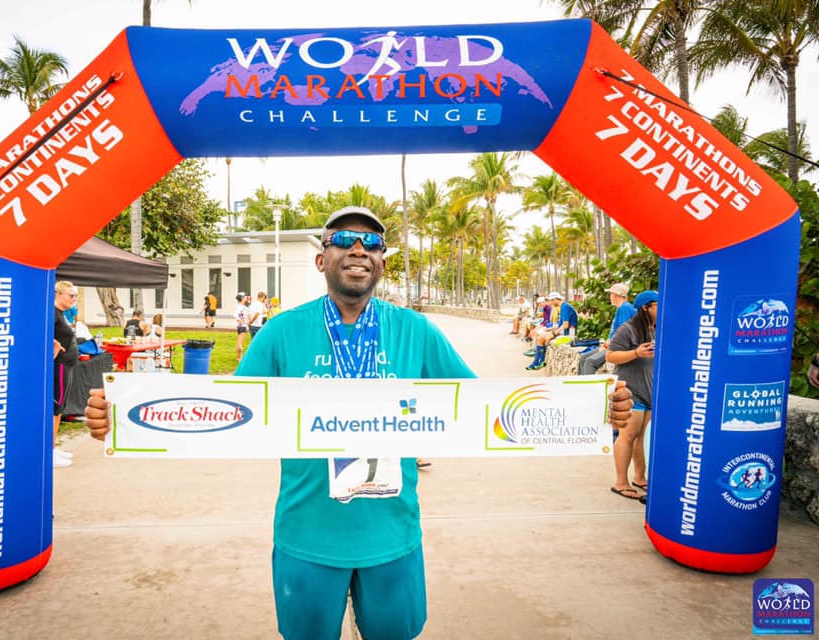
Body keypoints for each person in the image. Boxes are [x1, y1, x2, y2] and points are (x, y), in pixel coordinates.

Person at [85, 205, 634, 639]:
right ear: (321, 259)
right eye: (343, 240)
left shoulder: (416, 331)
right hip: (307, 535)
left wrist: (591, 409)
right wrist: (127, 416)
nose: (358, 250)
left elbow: (489, 406)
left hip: (392, 535)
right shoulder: (281, 332)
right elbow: (224, 410)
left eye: (371, 243)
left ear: (382, 263)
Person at [606, 289, 658, 503]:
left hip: (649, 391)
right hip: (630, 391)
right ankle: (621, 482)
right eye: (658, 305)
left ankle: (639, 477)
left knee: (642, 437)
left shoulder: (657, 329)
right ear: (646, 307)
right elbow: (610, 355)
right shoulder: (627, 329)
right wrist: (636, 353)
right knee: (628, 435)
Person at [578, 283, 636, 376]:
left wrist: (607, 346)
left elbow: (622, 333)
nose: (610, 297)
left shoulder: (625, 308)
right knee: (583, 358)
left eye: (611, 294)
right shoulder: (621, 308)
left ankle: (588, 385)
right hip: (613, 344)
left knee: (590, 362)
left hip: (619, 347)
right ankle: (580, 384)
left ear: (616, 295)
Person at [52, 281, 79, 468]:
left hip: (68, 364)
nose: (74, 298)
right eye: (71, 295)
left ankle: (53, 447)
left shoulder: (62, 314)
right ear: (58, 294)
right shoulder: (52, 313)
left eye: (75, 295)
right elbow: (38, 331)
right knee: (55, 408)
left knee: (60, 408)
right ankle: (48, 452)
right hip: (59, 365)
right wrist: (53, 344)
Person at [525, 292, 578, 370]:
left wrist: (553, 333)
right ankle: (539, 361)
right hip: (563, 331)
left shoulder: (565, 307)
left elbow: (565, 325)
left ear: (556, 299)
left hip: (567, 334)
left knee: (541, 338)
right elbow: (560, 325)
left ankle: (537, 362)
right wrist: (549, 329)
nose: (551, 303)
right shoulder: (563, 306)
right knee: (540, 338)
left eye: (551, 301)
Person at [234, 293, 249, 361]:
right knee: (240, 343)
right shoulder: (241, 307)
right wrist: (239, 320)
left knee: (239, 343)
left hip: (240, 326)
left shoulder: (240, 306)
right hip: (242, 326)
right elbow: (235, 315)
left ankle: (238, 357)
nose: (246, 298)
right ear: (242, 298)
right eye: (245, 297)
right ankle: (240, 358)